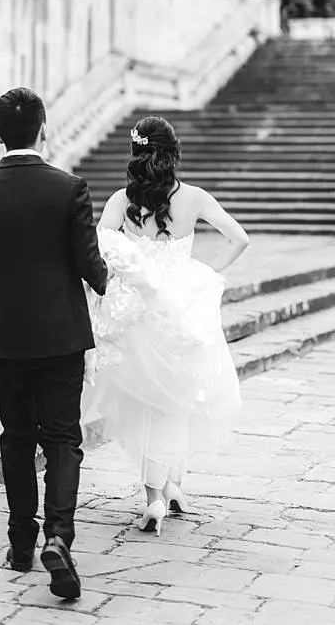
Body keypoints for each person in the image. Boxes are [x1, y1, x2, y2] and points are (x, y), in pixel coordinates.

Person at [0, 87, 108, 602]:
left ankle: (21, 543)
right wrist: (119, 285)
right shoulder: (69, 188)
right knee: (63, 439)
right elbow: (90, 265)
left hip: (4, 334)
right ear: (43, 129)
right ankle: (59, 538)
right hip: (61, 335)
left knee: (16, 437)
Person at [83, 115, 251, 533]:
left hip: (138, 311)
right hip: (183, 308)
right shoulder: (194, 197)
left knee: (149, 400)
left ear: (136, 153)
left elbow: (99, 249)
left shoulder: (121, 201)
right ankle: (172, 485)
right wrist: (208, 274)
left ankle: (155, 496)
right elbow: (240, 238)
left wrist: (117, 282)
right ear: (173, 154)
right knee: (177, 397)